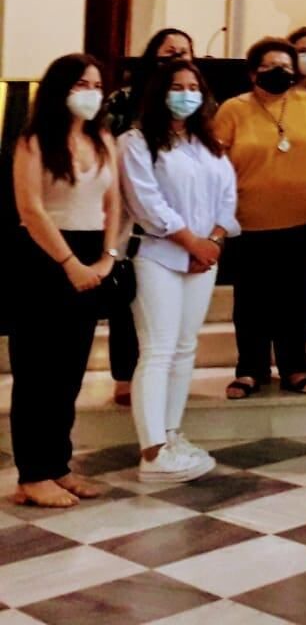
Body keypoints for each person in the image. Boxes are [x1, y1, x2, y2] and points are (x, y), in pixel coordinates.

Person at [8, 55, 122, 507]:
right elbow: (31, 208)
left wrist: (107, 257)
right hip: (43, 257)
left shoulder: (103, 139)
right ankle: (32, 475)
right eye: (81, 83)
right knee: (37, 371)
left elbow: (114, 204)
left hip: (92, 255)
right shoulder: (34, 140)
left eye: (97, 83)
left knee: (69, 373)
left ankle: (58, 465)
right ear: (59, 89)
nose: (91, 91)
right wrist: (69, 262)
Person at [119, 58, 239, 483]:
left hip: (203, 258)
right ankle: (151, 451)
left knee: (186, 347)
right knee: (158, 349)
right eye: (177, 85)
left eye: (194, 86)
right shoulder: (136, 142)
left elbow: (228, 196)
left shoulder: (208, 144)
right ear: (159, 92)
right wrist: (191, 241)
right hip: (158, 256)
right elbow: (147, 203)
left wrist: (214, 242)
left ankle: (170, 433)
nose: (186, 93)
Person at [214, 38, 306, 399]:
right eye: (271, 66)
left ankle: (295, 365)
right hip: (249, 220)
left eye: (287, 67)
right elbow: (215, 162)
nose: (280, 73)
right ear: (253, 71)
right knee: (252, 298)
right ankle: (250, 368)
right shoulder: (233, 110)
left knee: (298, 295)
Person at [103, 27, 194, 406]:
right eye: (168, 52)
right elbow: (105, 142)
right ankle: (125, 374)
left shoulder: (195, 99)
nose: (176, 58)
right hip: (129, 207)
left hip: (179, 209)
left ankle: (164, 378)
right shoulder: (124, 99)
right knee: (128, 295)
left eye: (183, 53)